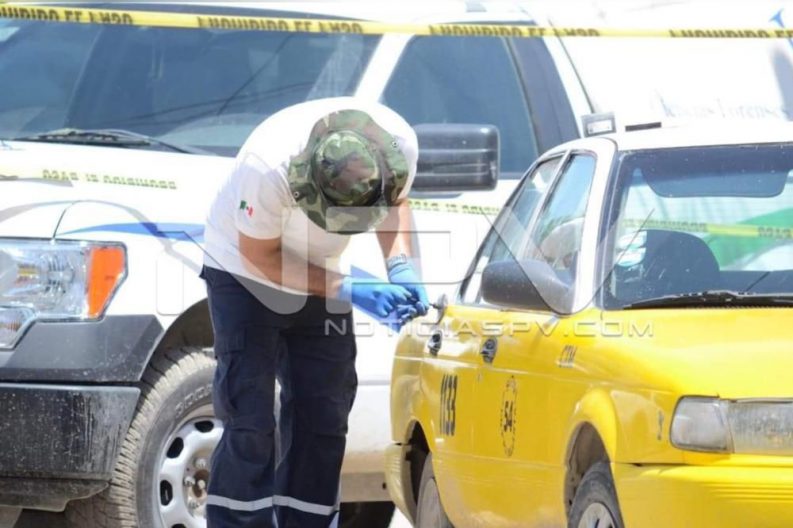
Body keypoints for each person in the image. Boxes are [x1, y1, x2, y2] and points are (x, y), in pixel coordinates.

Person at [200, 97, 428, 528]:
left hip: (321, 270)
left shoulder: (398, 143)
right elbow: (260, 256)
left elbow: (397, 201)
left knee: (324, 413)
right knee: (249, 418)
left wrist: (401, 265)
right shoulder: (266, 167)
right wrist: (349, 289)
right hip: (242, 272)